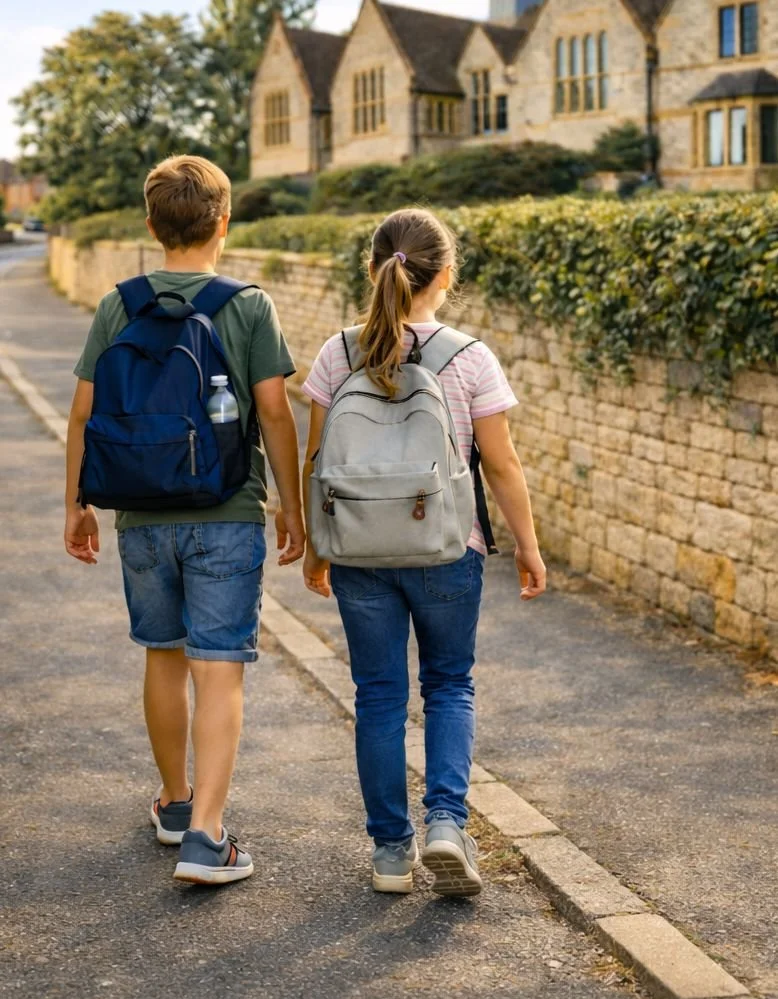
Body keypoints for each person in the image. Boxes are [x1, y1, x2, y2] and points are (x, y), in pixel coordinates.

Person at [64, 155, 305, 885]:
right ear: (223, 223)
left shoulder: (119, 304)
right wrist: (292, 504)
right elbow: (273, 410)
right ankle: (207, 836)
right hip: (227, 511)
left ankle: (174, 803)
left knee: (162, 653)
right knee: (220, 665)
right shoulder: (247, 305)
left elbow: (83, 412)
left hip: (140, 512)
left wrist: (77, 504)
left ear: (149, 225)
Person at [301, 208, 546, 898]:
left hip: (359, 552)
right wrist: (526, 546)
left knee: (378, 696)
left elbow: (319, 459)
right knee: (448, 684)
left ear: (373, 267)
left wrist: (318, 548)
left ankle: (388, 852)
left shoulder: (338, 353)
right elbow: (500, 465)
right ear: (446, 275)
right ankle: (446, 823)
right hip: (447, 548)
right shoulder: (469, 357)